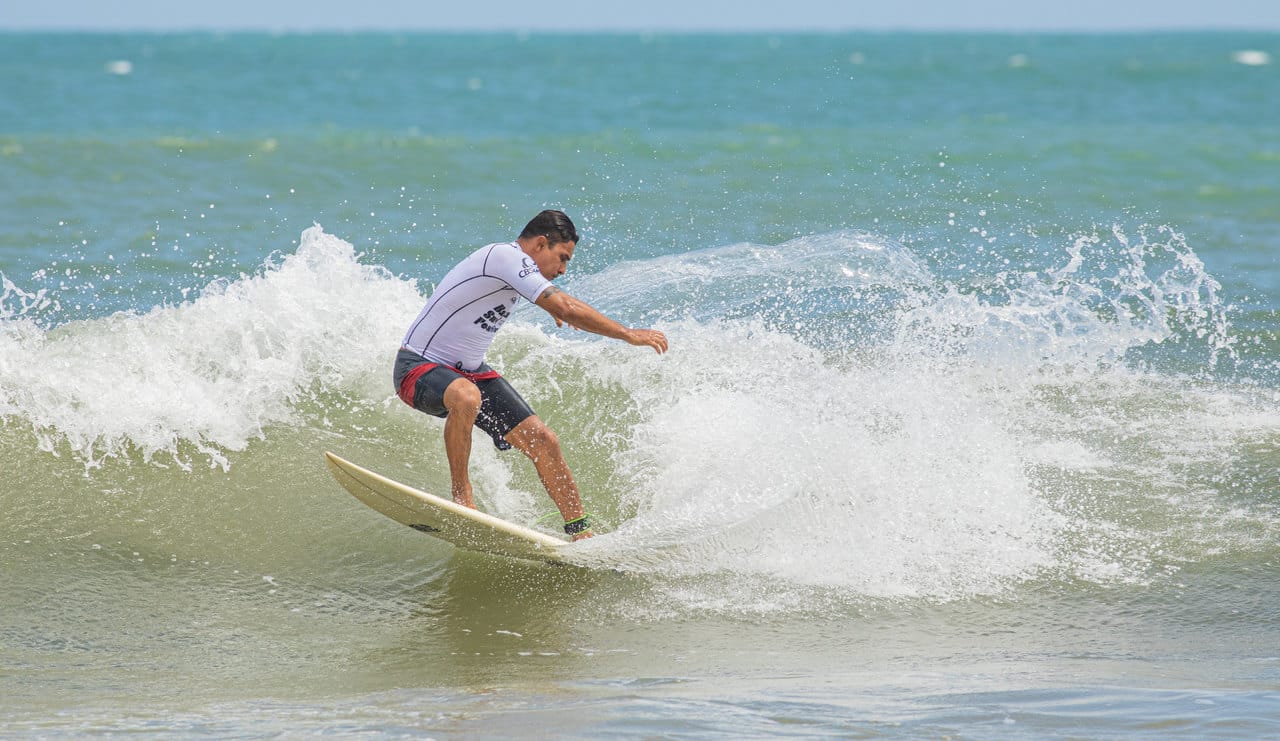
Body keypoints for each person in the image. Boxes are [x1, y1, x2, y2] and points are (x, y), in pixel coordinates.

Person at [393, 210, 668, 541]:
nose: (563, 269)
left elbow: (560, 305)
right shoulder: (504, 256)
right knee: (466, 396)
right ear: (541, 243)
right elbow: (564, 306)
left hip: (467, 372)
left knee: (544, 441)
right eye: (562, 257)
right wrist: (628, 334)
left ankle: (581, 532)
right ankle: (463, 498)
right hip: (418, 368)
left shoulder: (513, 270)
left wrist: (558, 307)